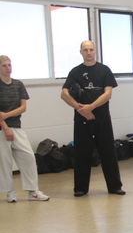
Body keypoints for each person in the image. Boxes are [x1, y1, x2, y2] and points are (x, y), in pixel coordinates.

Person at [61, 40, 124, 197]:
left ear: (95, 51)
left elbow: (108, 93)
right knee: (82, 153)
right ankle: (80, 188)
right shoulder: (75, 72)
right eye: (85, 50)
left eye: (91, 49)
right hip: (82, 119)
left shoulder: (104, 70)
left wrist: (91, 107)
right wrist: (80, 108)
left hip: (102, 118)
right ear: (81, 52)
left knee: (108, 152)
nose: (88, 53)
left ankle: (115, 186)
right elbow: (64, 94)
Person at [0, 55, 49, 203]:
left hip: (17, 127)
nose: (8, 68)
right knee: (5, 162)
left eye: (9, 65)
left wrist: (6, 115)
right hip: (2, 129)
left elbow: (23, 107)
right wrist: (5, 128)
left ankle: (32, 191)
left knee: (28, 157)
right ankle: (10, 192)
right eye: (4, 65)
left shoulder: (18, 84)